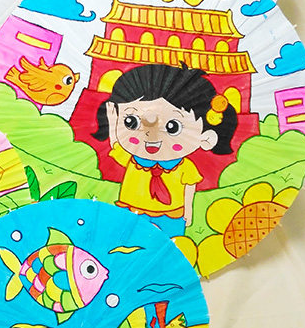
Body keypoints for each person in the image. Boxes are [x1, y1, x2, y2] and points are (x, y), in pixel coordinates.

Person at [92, 63, 236, 237]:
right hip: (131, 209)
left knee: (171, 244)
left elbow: (189, 187)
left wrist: (188, 210)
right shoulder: (133, 160)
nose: (150, 134)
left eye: (173, 127)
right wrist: (113, 122)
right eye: (131, 122)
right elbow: (116, 144)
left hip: (171, 215)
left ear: (205, 137)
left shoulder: (184, 167)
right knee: (128, 242)